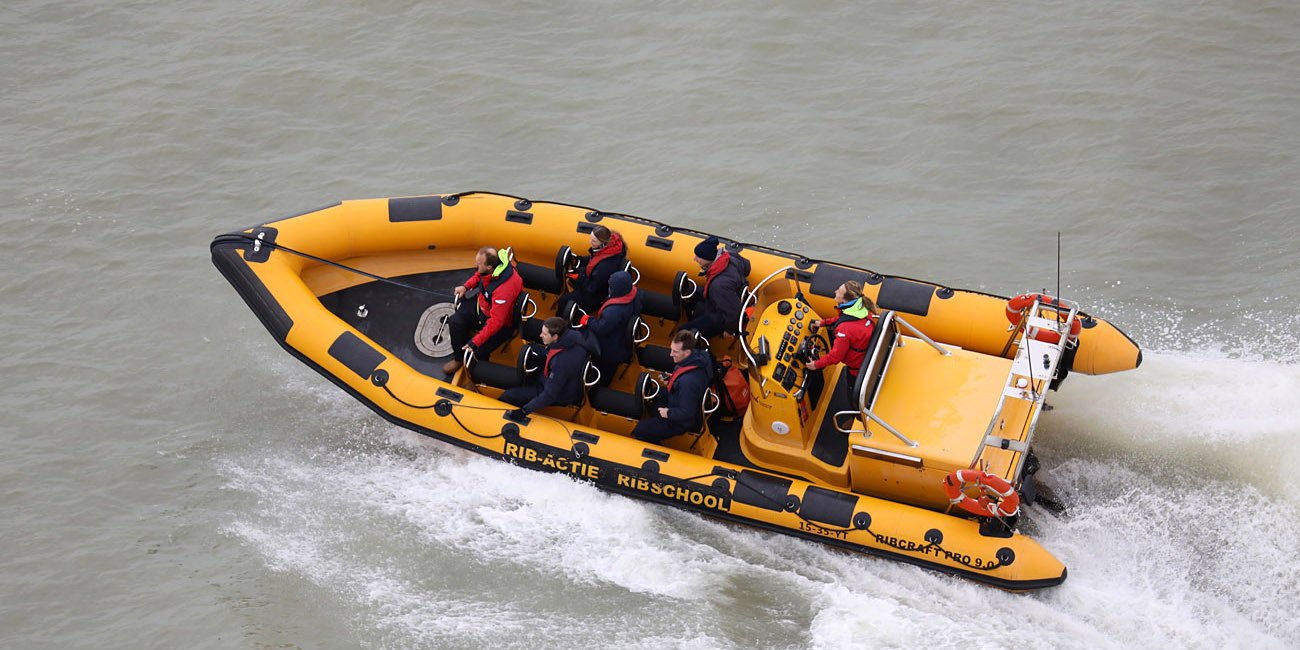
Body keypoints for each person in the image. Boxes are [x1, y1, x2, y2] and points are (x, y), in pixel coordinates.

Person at [795, 281, 877, 421]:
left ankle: (856, 419)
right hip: (867, 358)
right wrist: (822, 323)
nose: (835, 292)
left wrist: (816, 365)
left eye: (838, 291)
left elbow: (835, 357)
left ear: (845, 299)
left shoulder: (845, 330)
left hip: (856, 370)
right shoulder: (861, 310)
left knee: (853, 397)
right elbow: (841, 319)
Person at [442, 246, 523, 376]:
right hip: (483, 305)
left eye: (479, 264)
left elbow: (496, 322)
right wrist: (466, 286)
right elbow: (479, 275)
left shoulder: (503, 290)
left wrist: (475, 342)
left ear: (490, 267)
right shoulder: (494, 267)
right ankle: (458, 358)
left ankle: (477, 377)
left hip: (501, 322)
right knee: (455, 322)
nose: (476, 265)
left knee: (479, 350)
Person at [632, 330, 714, 444]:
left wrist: (668, 413)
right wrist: (673, 380)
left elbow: (686, 412)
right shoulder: (698, 359)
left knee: (640, 431)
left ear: (687, 352)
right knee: (653, 392)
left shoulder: (688, 382)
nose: (671, 354)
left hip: (680, 422)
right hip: (683, 397)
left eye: (675, 351)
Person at [502, 317, 594, 419]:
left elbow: (550, 395)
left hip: (560, 393)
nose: (541, 335)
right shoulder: (575, 336)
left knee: (508, 395)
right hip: (565, 378)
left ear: (555, 337)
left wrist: (524, 411)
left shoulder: (560, 364)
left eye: (545, 334)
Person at [679, 236, 751, 339]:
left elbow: (734, 311)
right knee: (691, 292)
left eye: (698, 257)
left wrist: (729, 331)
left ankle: (699, 348)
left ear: (708, 258)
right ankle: (691, 317)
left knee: (682, 332)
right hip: (726, 295)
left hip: (719, 317)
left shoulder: (718, 285)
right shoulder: (731, 257)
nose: (695, 259)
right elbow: (747, 266)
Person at [581, 270, 642, 385]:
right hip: (622, 341)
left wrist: (588, 320)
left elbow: (602, 328)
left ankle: (597, 391)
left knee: (602, 375)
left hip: (610, 350)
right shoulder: (636, 294)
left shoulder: (613, 311)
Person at [560, 225, 627, 315]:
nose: (590, 242)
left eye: (594, 241)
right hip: (595, 284)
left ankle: (562, 324)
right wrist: (580, 260)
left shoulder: (606, 266)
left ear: (603, 243)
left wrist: (579, 278)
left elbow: (593, 287)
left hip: (597, 296)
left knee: (564, 301)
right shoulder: (609, 249)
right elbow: (594, 258)